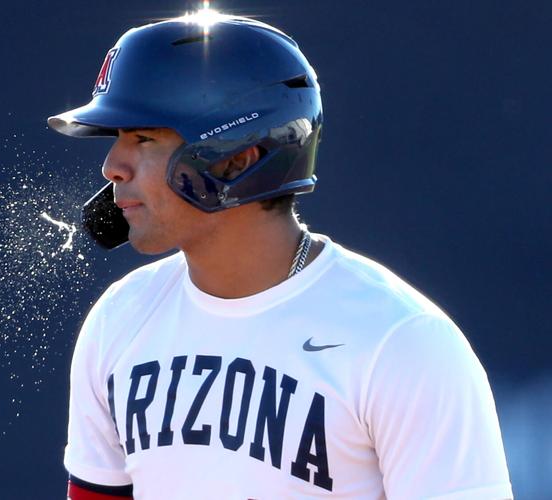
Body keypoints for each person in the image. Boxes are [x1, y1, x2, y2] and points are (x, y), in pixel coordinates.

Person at [47, 11, 512, 500]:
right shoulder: (119, 320)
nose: (112, 167)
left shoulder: (402, 342)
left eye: (143, 138)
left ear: (236, 158)